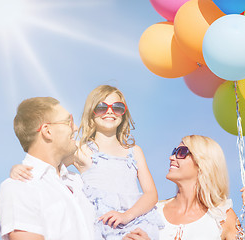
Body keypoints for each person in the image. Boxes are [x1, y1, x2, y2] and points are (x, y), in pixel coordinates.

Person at [11, 85, 163, 240]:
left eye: (117, 107)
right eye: (102, 107)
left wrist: (126, 216)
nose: (110, 111)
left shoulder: (134, 151)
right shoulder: (81, 150)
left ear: (123, 114)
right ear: (91, 113)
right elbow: (47, 163)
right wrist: (19, 168)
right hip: (101, 226)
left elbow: (151, 194)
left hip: (134, 221)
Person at [123, 135, 245, 240]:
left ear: (202, 164)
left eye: (181, 152)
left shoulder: (222, 216)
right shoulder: (153, 211)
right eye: (174, 152)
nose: (171, 157)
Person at [0, 97, 95, 240]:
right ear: (47, 131)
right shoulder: (19, 188)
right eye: (69, 121)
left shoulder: (79, 182)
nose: (76, 127)